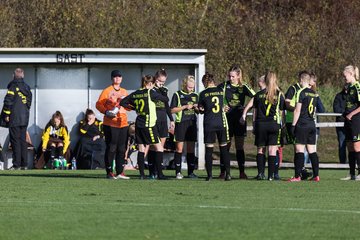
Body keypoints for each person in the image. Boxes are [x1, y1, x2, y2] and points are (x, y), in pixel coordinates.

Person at [120, 75, 169, 180]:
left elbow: (122, 102)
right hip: (149, 124)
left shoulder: (136, 93)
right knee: (159, 148)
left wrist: (134, 107)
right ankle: (160, 174)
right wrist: (162, 91)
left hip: (139, 123)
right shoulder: (150, 92)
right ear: (150, 84)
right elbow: (165, 99)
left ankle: (142, 175)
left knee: (141, 148)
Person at [218, 64, 255, 179]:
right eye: (229, 76)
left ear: (238, 76)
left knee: (239, 146)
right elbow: (214, 96)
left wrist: (246, 109)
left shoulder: (244, 86)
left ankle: (242, 172)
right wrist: (222, 106)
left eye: (233, 76)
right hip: (227, 119)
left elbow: (256, 97)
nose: (231, 78)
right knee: (225, 146)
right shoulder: (224, 86)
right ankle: (223, 172)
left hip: (239, 119)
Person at [96, 70, 130, 180]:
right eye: (115, 77)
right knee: (112, 147)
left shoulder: (124, 91)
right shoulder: (107, 91)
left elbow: (129, 106)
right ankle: (109, 172)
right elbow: (99, 104)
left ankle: (120, 172)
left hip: (123, 123)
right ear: (112, 78)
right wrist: (106, 112)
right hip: (110, 123)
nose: (117, 78)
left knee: (122, 148)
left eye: (119, 76)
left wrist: (133, 106)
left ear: (122, 78)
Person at [198, 72, 231, 181]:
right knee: (224, 149)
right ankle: (228, 174)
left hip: (209, 123)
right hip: (221, 122)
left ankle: (210, 175)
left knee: (209, 150)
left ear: (205, 82)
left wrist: (199, 109)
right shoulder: (221, 91)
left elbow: (200, 109)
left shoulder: (203, 93)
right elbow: (226, 107)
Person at [288, 71, 320, 182]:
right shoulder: (314, 93)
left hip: (302, 124)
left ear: (302, 80)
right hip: (312, 124)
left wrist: (293, 125)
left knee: (299, 150)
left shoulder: (301, 92)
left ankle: (297, 176)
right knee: (312, 151)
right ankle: (316, 175)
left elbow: (297, 110)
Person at [252, 71, 285, 180]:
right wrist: (282, 125)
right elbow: (281, 112)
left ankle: (261, 174)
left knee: (261, 149)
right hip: (273, 124)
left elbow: (255, 113)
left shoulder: (258, 95)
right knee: (272, 150)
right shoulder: (279, 94)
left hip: (261, 124)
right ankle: (271, 176)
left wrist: (254, 125)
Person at [1, 68, 32, 170]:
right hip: (24, 118)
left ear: (13, 76)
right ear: (23, 76)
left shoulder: (13, 86)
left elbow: (8, 101)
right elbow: (28, 102)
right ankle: (24, 164)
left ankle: (16, 165)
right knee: (23, 141)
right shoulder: (27, 87)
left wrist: (6, 114)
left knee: (15, 141)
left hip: (14, 118)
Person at [147, 69, 175, 179]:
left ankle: (158, 171)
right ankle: (152, 172)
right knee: (154, 146)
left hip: (163, 118)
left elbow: (166, 104)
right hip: (154, 119)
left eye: (163, 82)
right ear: (155, 79)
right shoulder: (150, 89)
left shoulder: (164, 90)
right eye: (159, 81)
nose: (161, 83)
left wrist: (171, 119)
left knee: (161, 147)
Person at [170, 75, 199, 179]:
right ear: (184, 85)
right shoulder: (177, 95)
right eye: (189, 87)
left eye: (192, 87)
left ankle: (191, 172)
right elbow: (172, 110)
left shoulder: (196, 95)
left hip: (191, 124)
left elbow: (199, 111)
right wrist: (184, 107)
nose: (190, 89)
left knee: (191, 149)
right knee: (179, 149)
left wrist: (198, 108)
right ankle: (178, 172)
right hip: (181, 123)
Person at [341, 65, 360, 180]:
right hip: (348, 120)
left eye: (345, 76)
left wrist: (352, 114)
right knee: (350, 147)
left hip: (356, 120)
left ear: (351, 74)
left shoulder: (358, 86)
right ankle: (352, 173)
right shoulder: (349, 88)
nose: (344, 78)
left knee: (357, 147)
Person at [333, 84, 348, 164]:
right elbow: (336, 109)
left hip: (352, 124)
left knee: (353, 144)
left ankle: (354, 162)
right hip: (341, 123)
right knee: (342, 143)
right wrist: (347, 112)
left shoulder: (354, 97)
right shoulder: (338, 96)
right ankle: (343, 163)